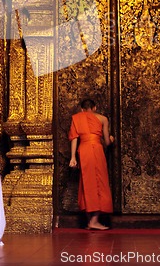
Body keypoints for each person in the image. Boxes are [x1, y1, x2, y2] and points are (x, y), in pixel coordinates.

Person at [69, 98, 114, 230]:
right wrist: (111, 139)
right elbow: (106, 142)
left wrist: (73, 157)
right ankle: (94, 220)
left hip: (83, 151)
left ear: (82, 109)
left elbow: (74, 138)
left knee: (86, 183)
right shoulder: (103, 119)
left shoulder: (77, 118)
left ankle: (90, 220)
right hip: (97, 150)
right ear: (94, 108)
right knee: (100, 183)